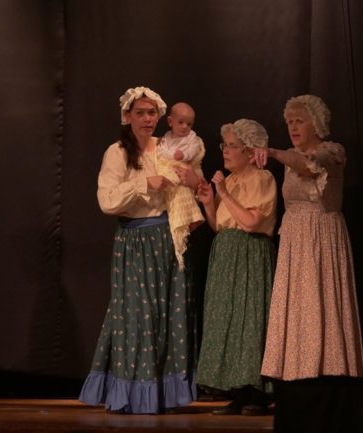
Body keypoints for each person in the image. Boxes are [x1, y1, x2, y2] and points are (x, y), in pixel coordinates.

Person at [79, 86, 198, 414]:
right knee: (137, 317)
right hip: (135, 240)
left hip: (167, 237)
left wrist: (191, 178)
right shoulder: (117, 152)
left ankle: (165, 395)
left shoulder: (166, 147)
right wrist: (144, 183)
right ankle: (133, 393)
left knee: (168, 315)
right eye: (141, 113)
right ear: (128, 116)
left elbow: (194, 177)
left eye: (152, 113)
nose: (148, 119)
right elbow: (106, 200)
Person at [256, 94, 363, 380]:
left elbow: (308, 163)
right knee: (298, 305)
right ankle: (297, 374)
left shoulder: (333, 152)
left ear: (315, 124)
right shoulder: (290, 159)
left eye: (299, 121)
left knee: (322, 302)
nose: (293, 127)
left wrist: (275, 153)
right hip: (295, 237)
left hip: (322, 235)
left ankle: (330, 371)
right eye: (289, 122)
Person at [196, 119, 277, 416]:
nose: (226, 151)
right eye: (225, 145)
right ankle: (237, 392)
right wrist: (209, 202)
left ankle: (257, 392)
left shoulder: (262, 178)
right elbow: (221, 226)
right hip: (227, 254)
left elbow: (253, 222)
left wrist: (225, 195)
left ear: (248, 150)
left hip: (250, 254)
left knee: (250, 319)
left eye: (232, 145)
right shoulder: (228, 181)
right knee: (227, 320)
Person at [156, 102, 206, 270]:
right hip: (171, 169)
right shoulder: (166, 138)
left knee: (185, 192)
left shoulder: (192, 137)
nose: (185, 127)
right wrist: (170, 158)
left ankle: (190, 219)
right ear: (170, 121)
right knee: (169, 182)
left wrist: (183, 154)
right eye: (181, 122)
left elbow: (195, 150)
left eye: (189, 124)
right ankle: (181, 224)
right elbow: (161, 152)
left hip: (186, 167)